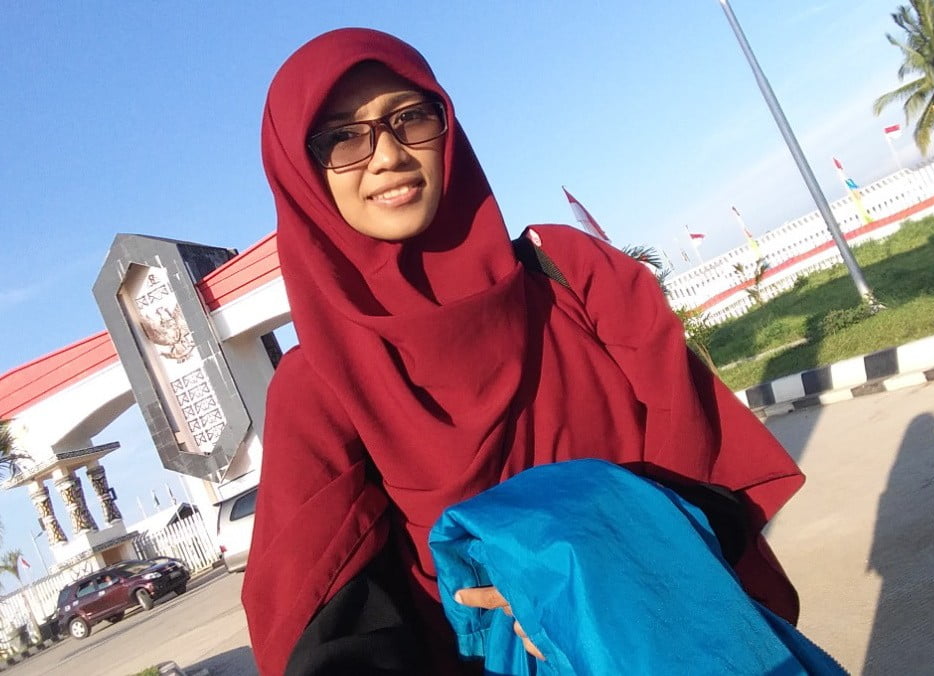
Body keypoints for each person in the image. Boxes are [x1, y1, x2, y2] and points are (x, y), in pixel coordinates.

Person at [242, 27, 805, 676]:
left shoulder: (570, 276)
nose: (388, 154)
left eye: (410, 117)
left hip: (669, 641)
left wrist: (577, 575)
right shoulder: (320, 385)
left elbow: (711, 469)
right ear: (300, 174)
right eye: (343, 138)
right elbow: (330, 623)